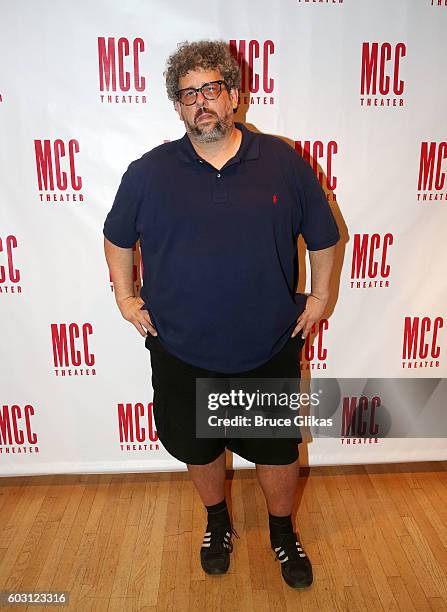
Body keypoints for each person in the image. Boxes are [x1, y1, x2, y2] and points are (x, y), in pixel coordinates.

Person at [103, 40, 340, 589]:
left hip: (266, 344)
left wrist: (321, 299)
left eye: (210, 89)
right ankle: (217, 523)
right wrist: (125, 297)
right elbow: (117, 238)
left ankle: (282, 531)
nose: (200, 102)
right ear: (178, 107)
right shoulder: (148, 172)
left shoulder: (282, 162)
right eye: (188, 95)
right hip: (181, 346)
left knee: (275, 450)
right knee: (199, 446)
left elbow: (324, 237)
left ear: (233, 95)